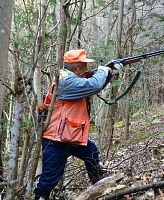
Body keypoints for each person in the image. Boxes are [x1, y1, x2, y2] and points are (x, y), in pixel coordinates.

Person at [34, 49, 122, 200]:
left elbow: (93, 87)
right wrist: (102, 70)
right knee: (49, 180)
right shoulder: (65, 82)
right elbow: (92, 85)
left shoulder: (70, 78)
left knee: (91, 151)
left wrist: (109, 74)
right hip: (55, 139)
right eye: (84, 66)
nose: (87, 70)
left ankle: (99, 188)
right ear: (76, 68)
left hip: (69, 135)